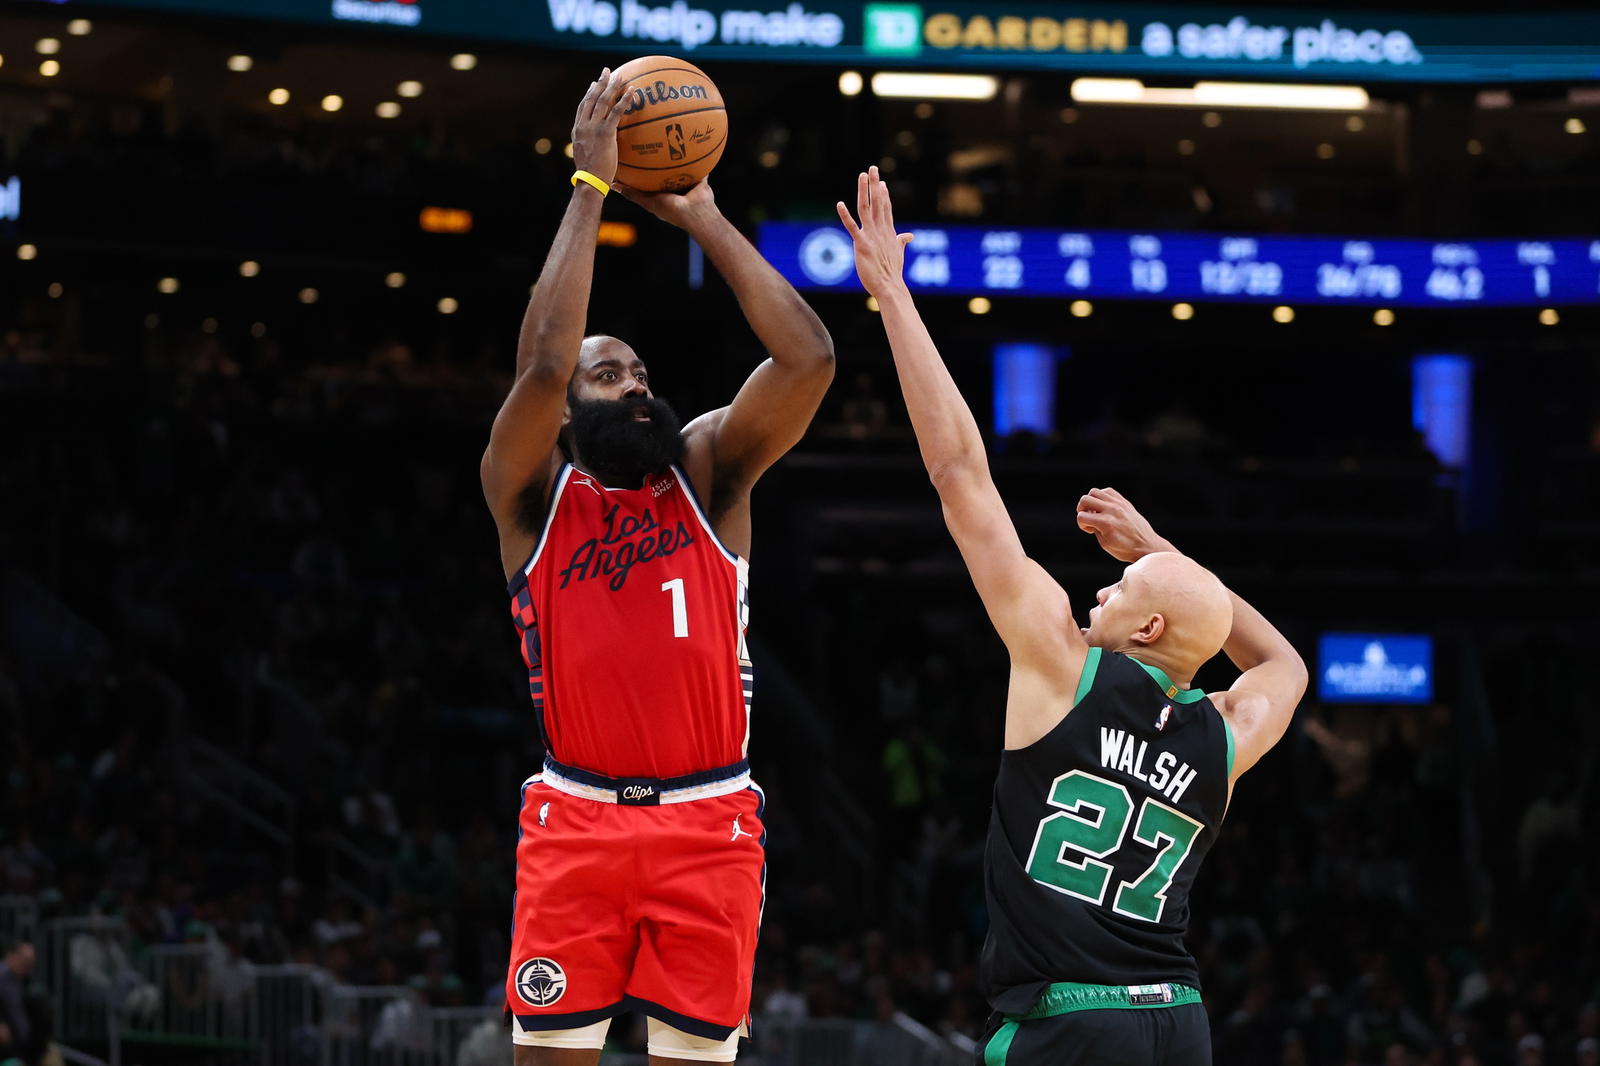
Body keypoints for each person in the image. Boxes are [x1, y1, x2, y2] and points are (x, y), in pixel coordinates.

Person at [837, 166, 1305, 1066]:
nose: (1100, 592)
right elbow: (1283, 664)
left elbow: (959, 475)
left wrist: (893, 297)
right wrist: (1164, 554)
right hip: (1179, 1020)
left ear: (1149, 632)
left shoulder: (1063, 664)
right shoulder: (1223, 736)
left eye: (1121, 590)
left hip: (1072, 1024)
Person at [482, 70, 835, 1065]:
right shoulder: (530, 495)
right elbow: (543, 364)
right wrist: (589, 188)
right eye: (610, 375)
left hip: (708, 821)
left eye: (640, 372)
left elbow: (808, 359)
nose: (636, 387)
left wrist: (704, 217)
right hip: (575, 819)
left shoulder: (708, 473)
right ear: (568, 417)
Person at [0, 942, 34, 1064]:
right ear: (12, 956)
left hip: (17, 1047)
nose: (27, 966)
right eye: (24, 961)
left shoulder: (19, 980)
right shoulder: (2, 974)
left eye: (30, 963)